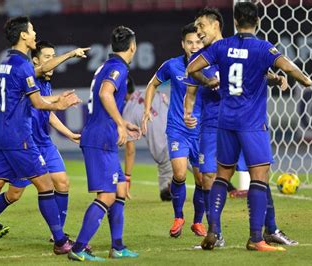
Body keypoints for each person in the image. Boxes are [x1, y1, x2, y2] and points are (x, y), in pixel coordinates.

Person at [185, 3, 311, 251]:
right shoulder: (263, 47)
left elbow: (191, 68)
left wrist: (210, 81)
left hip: (225, 121)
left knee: (222, 176)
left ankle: (214, 231)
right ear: (257, 21)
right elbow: (287, 65)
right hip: (251, 123)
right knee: (259, 177)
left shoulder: (221, 46)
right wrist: (305, 80)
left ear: (234, 20)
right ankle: (256, 238)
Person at [0, 16, 81, 259]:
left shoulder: (7, 61)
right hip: (18, 138)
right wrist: (60, 104)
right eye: (32, 31)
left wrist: (69, 56)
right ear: (23, 35)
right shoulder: (21, 66)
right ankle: (60, 241)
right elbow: (37, 102)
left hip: (1, 135)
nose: (34, 34)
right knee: (46, 186)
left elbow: (35, 76)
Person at [0, 41, 89, 245]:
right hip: (25, 145)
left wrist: (69, 133)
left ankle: (59, 235)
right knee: (14, 194)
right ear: (36, 61)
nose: (52, 61)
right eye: (48, 57)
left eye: (53, 55)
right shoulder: (31, 74)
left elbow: (47, 112)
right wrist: (71, 54)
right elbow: (44, 77)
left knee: (62, 182)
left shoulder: (46, 83)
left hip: (44, 144)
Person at [67, 26, 141, 262]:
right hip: (100, 138)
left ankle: (117, 246)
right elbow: (105, 95)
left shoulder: (107, 66)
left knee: (119, 190)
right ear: (133, 46)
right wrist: (120, 123)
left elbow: (104, 103)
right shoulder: (118, 68)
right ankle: (78, 248)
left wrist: (122, 122)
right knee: (107, 196)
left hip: (103, 135)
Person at [141, 22, 207, 238]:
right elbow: (152, 84)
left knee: (201, 180)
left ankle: (198, 222)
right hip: (178, 128)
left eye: (198, 41)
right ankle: (178, 216)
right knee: (178, 174)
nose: (194, 46)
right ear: (183, 44)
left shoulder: (212, 66)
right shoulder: (172, 65)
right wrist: (147, 110)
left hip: (202, 131)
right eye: (190, 42)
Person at [122, 76, 173, 201]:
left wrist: (127, 177)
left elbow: (130, 150)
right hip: (179, 136)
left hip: (163, 152)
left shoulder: (128, 109)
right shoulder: (149, 90)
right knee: (200, 168)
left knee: (167, 194)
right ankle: (224, 184)